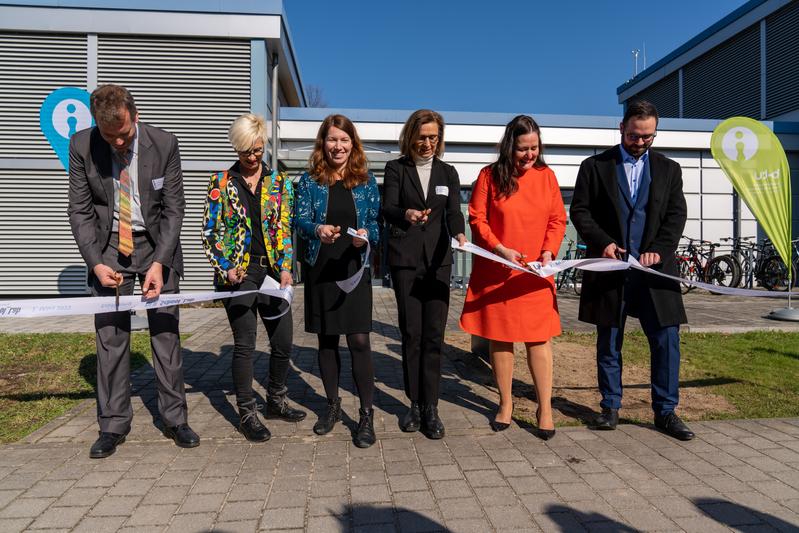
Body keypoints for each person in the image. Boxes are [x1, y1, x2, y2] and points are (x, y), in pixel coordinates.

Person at [67, 84, 199, 458]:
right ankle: (112, 424)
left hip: (157, 242)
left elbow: (174, 209)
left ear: (134, 116)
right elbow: (79, 210)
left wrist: (160, 261)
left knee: (166, 332)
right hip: (108, 245)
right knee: (110, 336)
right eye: (109, 137)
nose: (118, 143)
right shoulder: (81, 146)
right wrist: (95, 262)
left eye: (123, 134)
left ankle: (175, 419)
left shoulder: (165, 143)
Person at [570, 100, 694, 441]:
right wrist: (603, 242)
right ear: (622, 128)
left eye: (648, 137)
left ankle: (666, 411)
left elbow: (675, 215)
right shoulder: (594, 166)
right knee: (609, 339)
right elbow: (581, 212)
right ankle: (610, 407)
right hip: (610, 269)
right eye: (635, 136)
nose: (641, 143)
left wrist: (660, 249)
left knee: (666, 340)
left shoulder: (669, 169)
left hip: (656, 271)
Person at [460, 115, 566, 439]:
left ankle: (544, 408)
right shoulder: (489, 176)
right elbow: (477, 219)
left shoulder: (547, 177)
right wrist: (500, 248)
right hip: (500, 270)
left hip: (534, 274)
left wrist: (549, 251)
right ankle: (505, 404)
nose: (529, 155)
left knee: (538, 339)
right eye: (523, 149)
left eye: (534, 148)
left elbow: (557, 219)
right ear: (510, 146)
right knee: (501, 338)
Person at [201, 114, 306, 442]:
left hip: (273, 274)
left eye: (258, 150)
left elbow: (284, 228)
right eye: (247, 151)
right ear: (237, 147)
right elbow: (209, 232)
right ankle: (247, 411)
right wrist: (225, 267)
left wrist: (287, 266)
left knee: (283, 342)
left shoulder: (280, 182)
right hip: (239, 276)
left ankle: (275, 399)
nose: (253, 157)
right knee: (245, 344)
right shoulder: (220, 182)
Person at [294, 114, 381, 448]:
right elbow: (300, 221)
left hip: (353, 269)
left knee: (359, 340)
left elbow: (375, 223)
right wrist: (317, 229)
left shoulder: (366, 180)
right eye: (332, 139)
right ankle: (332, 406)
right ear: (323, 143)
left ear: (352, 144)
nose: (338, 146)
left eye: (344, 140)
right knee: (327, 341)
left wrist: (365, 235)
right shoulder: (309, 181)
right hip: (322, 268)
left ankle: (366, 414)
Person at [382, 109, 466, 439]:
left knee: (434, 335)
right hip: (406, 261)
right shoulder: (396, 169)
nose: (428, 143)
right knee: (411, 334)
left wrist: (460, 235)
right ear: (410, 136)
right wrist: (407, 213)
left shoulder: (448, 172)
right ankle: (414, 404)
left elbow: (454, 213)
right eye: (422, 137)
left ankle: (432, 407)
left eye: (434, 137)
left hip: (438, 263)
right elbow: (386, 208)